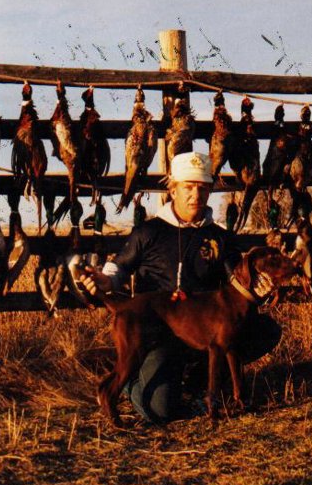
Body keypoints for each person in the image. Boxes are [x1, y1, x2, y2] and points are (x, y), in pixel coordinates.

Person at [80, 151, 282, 424]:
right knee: (160, 411)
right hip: (158, 332)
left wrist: (261, 286)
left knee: (265, 329)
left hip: (202, 329)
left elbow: (239, 280)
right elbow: (119, 268)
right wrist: (106, 280)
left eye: (202, 188)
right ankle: (131, 380)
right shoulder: (149, 232)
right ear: (173, 189)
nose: (195, 195)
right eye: (188, 187)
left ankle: (200, 380)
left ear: (210, 191)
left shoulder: (219, 237)